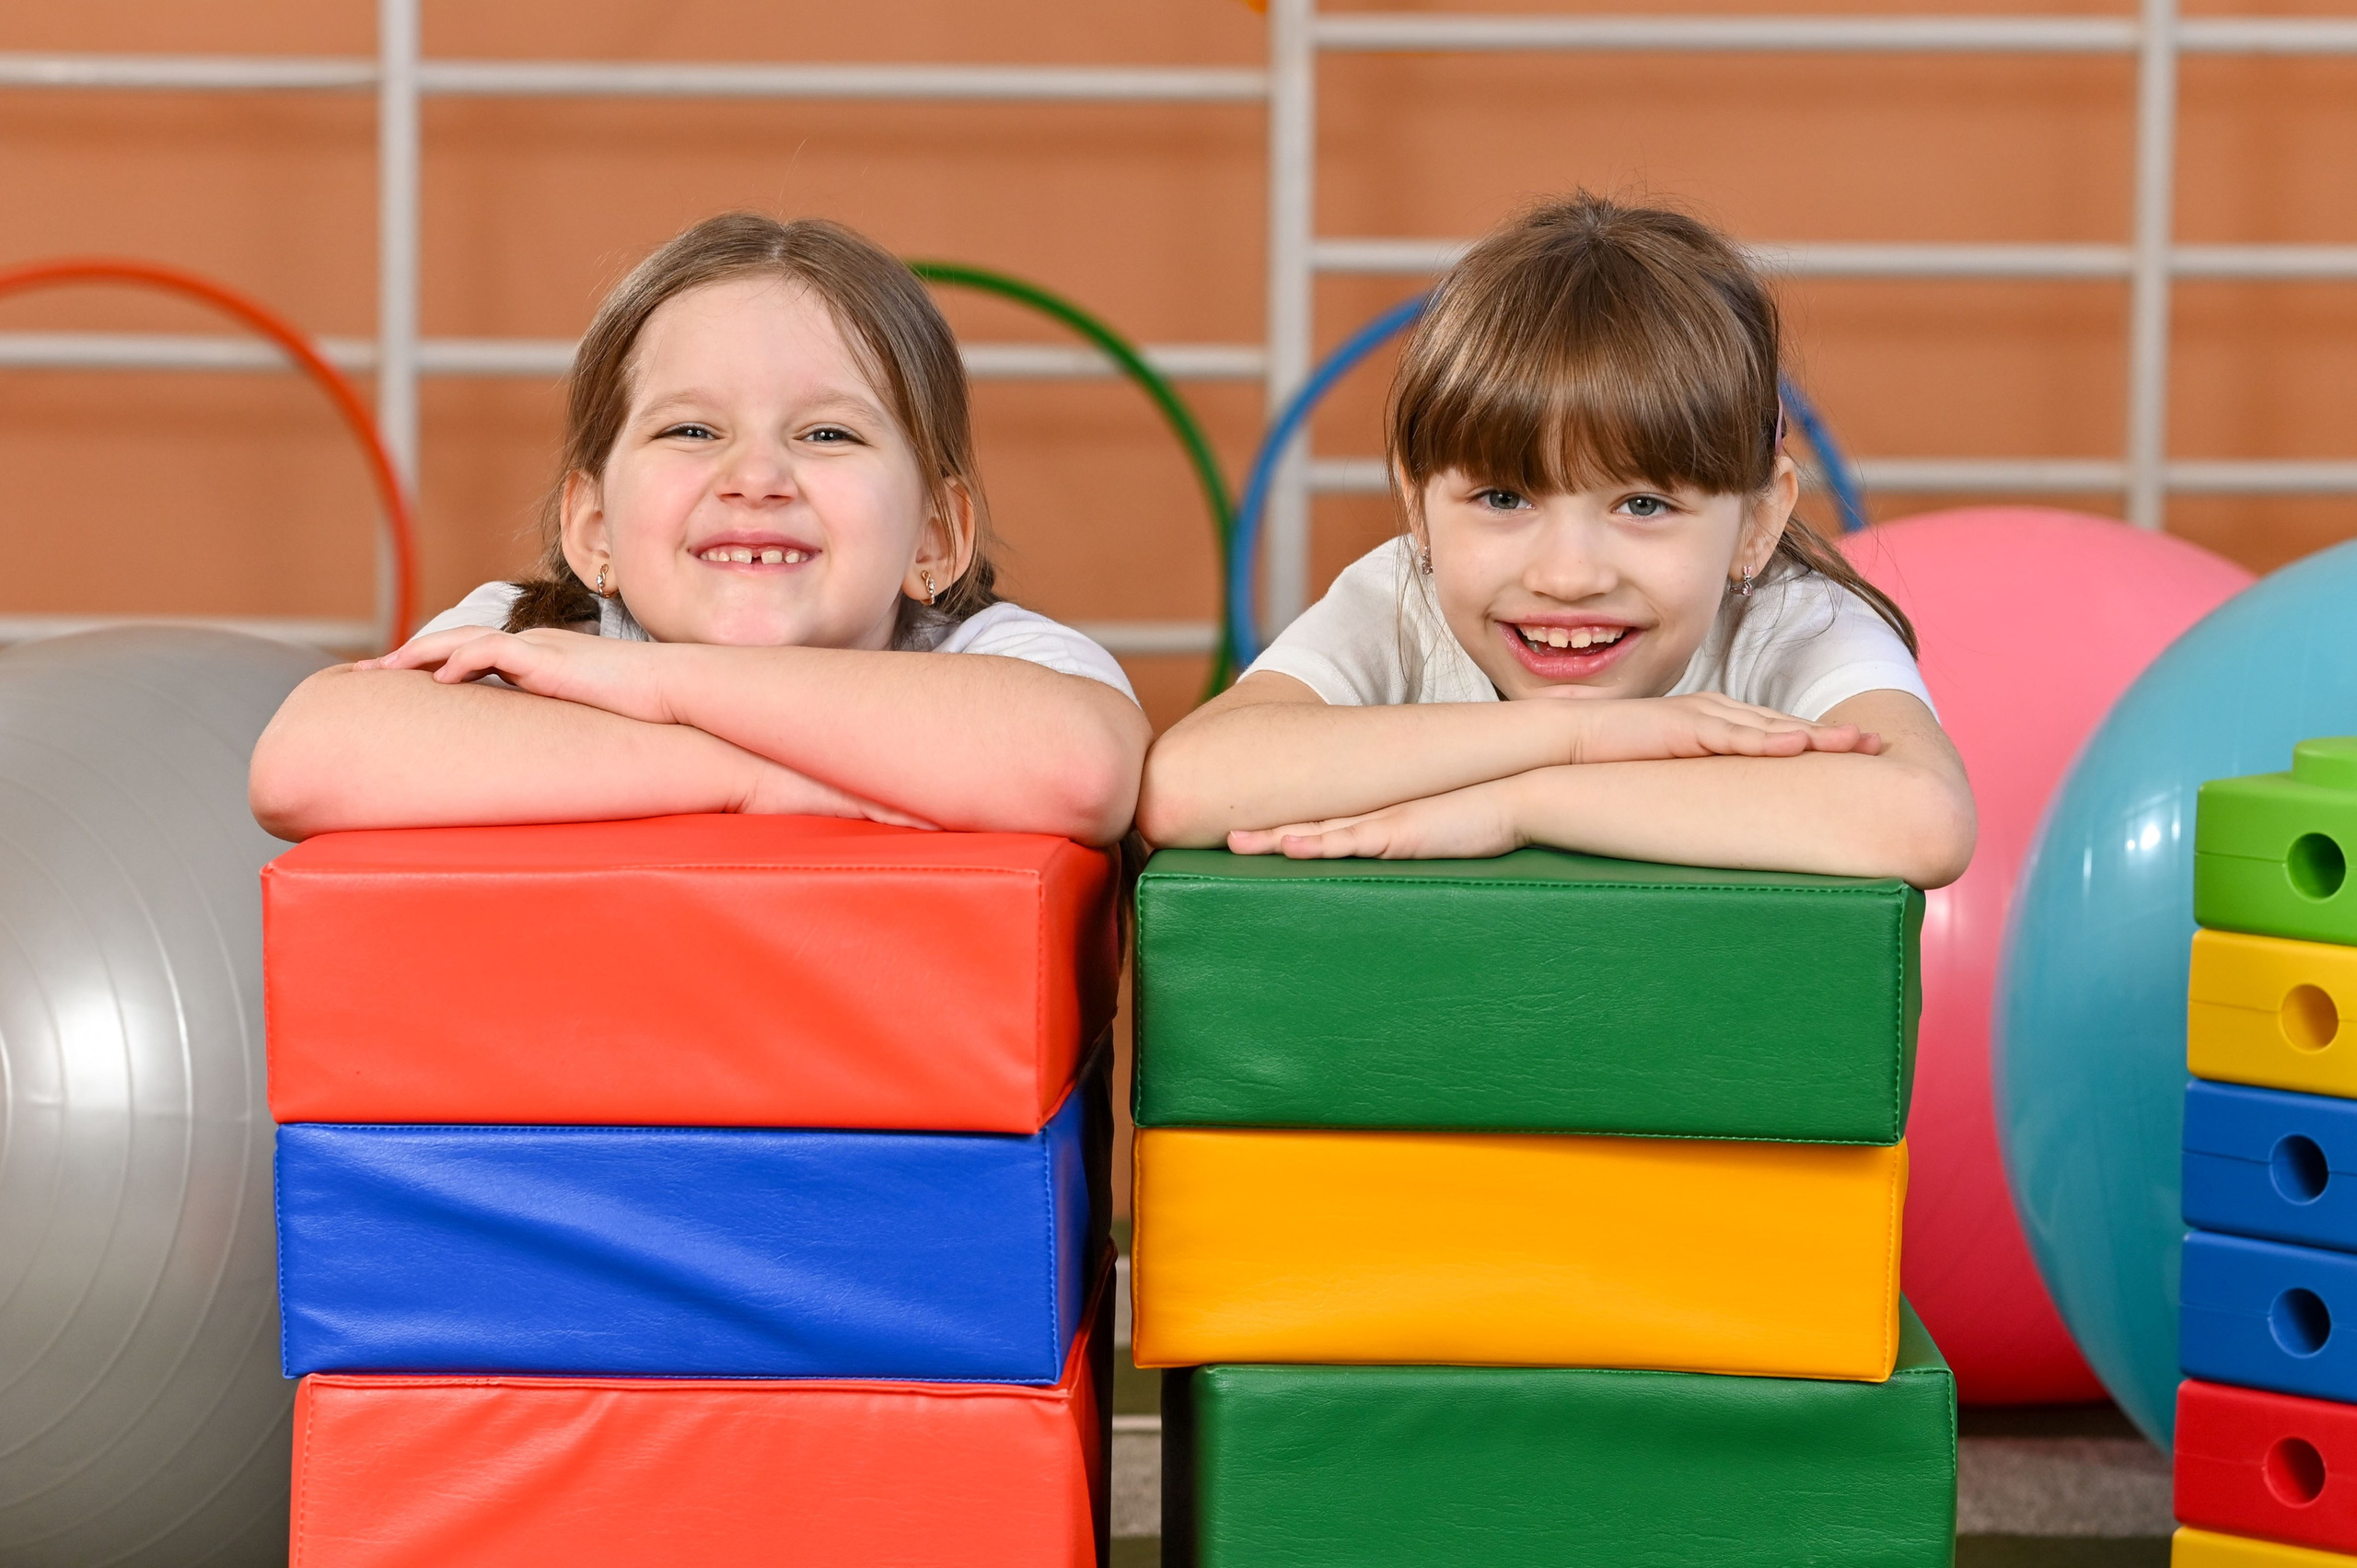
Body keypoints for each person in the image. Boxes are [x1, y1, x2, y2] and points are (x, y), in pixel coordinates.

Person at [1139, 193, 1974, 888]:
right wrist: (1584, 737)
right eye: (1504, 498)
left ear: (1757, 524)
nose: (1569, 577)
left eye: (1643, 505)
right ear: (1418, 506)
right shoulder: (1397, 602)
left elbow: (1922, 817)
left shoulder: (1794, 623)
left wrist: (1520, 806)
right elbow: (1188, 785)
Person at [250, 213, 1148, 846]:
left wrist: (653, 681)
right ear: (593, 530)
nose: (756, 478)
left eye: (827, 434)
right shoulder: (531, 636)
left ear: (935, 538)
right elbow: (307, 761)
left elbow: (1081, 771)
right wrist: (750, 778)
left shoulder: (990, 659)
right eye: (691, 430)